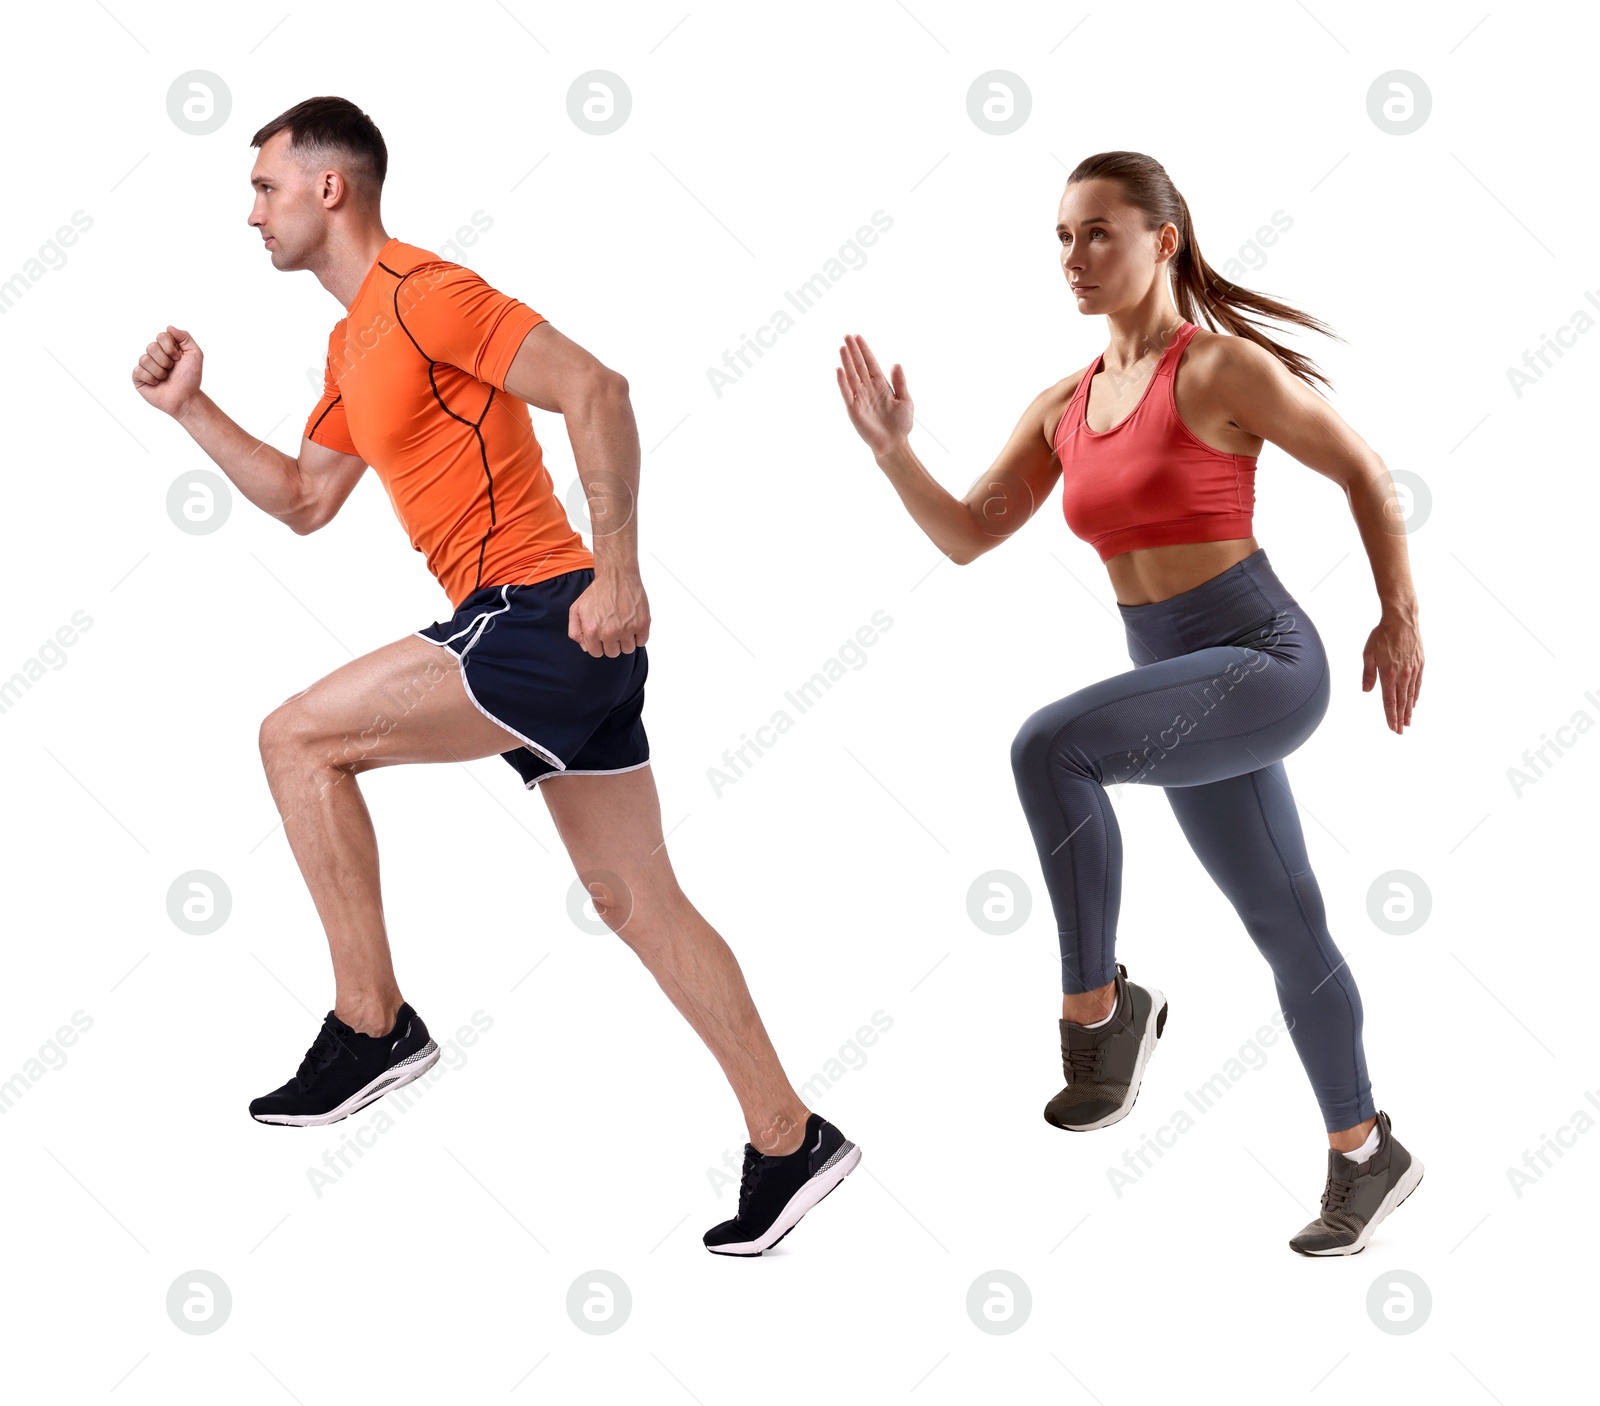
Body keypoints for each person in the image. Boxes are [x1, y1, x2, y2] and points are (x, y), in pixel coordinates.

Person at [129, 95, 859, 1256]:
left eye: (265, 186)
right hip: (543, 639)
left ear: (332, 188)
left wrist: (616, 569)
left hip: (542, 615)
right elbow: (306, 500)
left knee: (295, 738)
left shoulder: (429, 294)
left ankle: (371, 1023)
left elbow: (597, 388)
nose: (250, 212)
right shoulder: (351, 340)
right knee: (639, 900)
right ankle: (790, 1137)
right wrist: (191, 409)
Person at [835, 150, 1423, 1256]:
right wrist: (894, 454)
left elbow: (1361, 467)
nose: (1075, 257)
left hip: (1262, 657)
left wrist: (1399, 614)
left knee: (1049, 747)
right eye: (1061, 236)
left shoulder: (1218, 371)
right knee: (1287, 925)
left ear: (1163, 241)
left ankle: (1098, 1009)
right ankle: (1364, 1150)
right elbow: (968, 534)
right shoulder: (1061, 404)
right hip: (1181, 686)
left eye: (1099, 233)